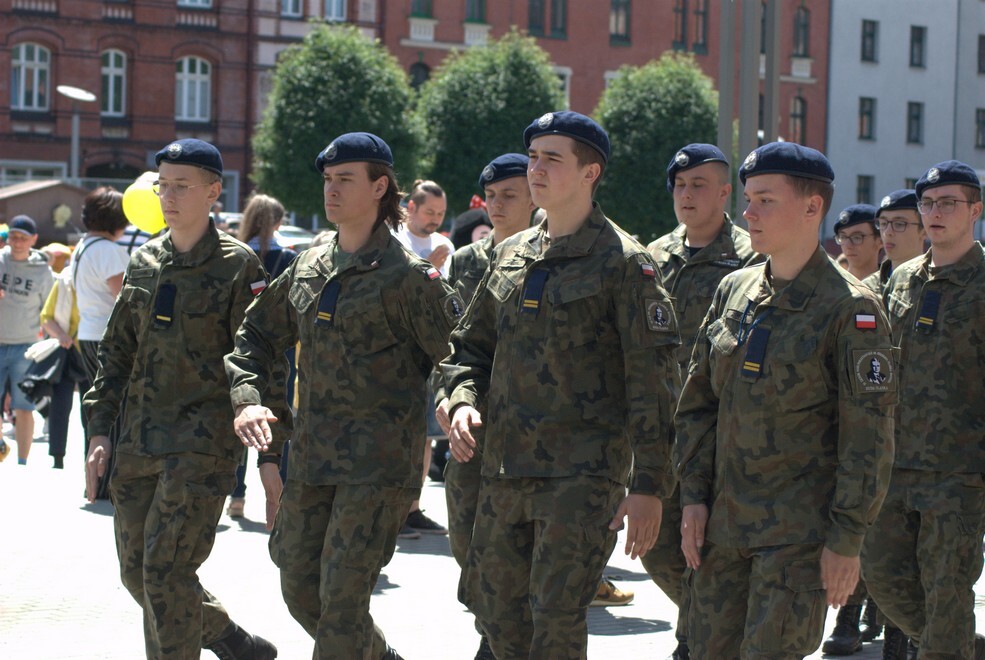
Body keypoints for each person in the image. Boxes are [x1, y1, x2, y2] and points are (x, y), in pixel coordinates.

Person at [443, 111, 680, 659]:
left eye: (553, 158)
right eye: (533, 157)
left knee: (554, 622)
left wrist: (649, 485)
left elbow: (653, 385)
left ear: (590, 172)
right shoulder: (512, 253)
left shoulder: (626, 263)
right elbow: (469, 348)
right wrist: (462, 401)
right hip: (504, 470)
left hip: (581, 477)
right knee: (496, 616)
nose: (536, 169)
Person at [226, 132, 463, 660]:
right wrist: (250, 399)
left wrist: (456, 399)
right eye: (328, 180)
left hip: (377, 469)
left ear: (380, 187)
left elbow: (458, 354)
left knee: (340, 604)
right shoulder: (309, 264)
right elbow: (255, 336)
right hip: (312, 460)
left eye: (345, 180)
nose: (331, 190)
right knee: (299, 587)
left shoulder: (411, 278)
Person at [676, 142, 896, 658]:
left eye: (765, 200)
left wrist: (846, 541)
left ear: (812, 207)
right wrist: (693, 496)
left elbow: (868, 439)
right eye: (748, 199)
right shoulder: (734, 290)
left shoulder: (852, 309)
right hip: (722, 529)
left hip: (797, 539)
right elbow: (698, 403)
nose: (748, 213)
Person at [82, 139, 277, 659]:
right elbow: (116, 351)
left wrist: (269, 454)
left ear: (213, 192)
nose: (168, 197)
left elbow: (258, 357)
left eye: (181, 187)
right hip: (137, 443)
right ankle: (231, 639)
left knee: (166, 573)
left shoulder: (239, 267)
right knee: (137, 574)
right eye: (162, 186)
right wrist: (99, 429)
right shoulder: (144, 260)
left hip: (201, 446)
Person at [862, 160, 985, 660]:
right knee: (882, 576)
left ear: (975, 211)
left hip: (959, 472)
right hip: (894, 464)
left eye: (948, 203)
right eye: (928, 203)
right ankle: (956, 645)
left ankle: (948, 645)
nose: (935, 212)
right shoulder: (902, 280)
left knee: (946, 588)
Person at [644, 142, 762, 660]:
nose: (686, 195)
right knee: (658, 548)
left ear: (724, 193)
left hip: (720, 434)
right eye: (679, 185)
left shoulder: (752, 257)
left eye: (698, 185)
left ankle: (692, 641)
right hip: (662, 431)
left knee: (708, 549)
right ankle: (702, 625)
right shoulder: (652, 258)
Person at [225, 192, 298, 518]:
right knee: (277, 417)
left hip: (240, 346)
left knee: (241, 416)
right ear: (278, 222)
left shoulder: (236, 256)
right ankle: (278, 491)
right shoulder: (289, 257)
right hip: (281, 348)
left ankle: (236, 495)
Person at [393, 178, 456, 537]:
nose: (435, 219)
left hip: (431, 354)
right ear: (411, 208)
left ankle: (412, 508)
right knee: (397, 434)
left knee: (426, 436)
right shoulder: (394, 241)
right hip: (397, 355)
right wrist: (427, 266)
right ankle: (392, 510)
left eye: (441, 213)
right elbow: (394, 293)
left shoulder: (445, 246)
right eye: (429, 212)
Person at [0, 215, 54, 465]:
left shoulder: (43, 271)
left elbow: (48, 310)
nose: (18, 242)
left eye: (23, 238)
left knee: (24, 407)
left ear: (34, 239)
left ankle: (22, 461)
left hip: (26, 346)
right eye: (13, 237)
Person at [861, 189, 926, 294]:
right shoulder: (867, 289)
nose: (887, 232)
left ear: (924, 231)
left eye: (899, 224)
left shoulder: (935, 284)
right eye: (883, 223)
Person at [834, 204, 882, 282]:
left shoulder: (894, 286)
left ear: (880, 241)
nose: (848, 245)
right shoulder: (829, 286)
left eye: (857, 237)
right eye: (843, 237)